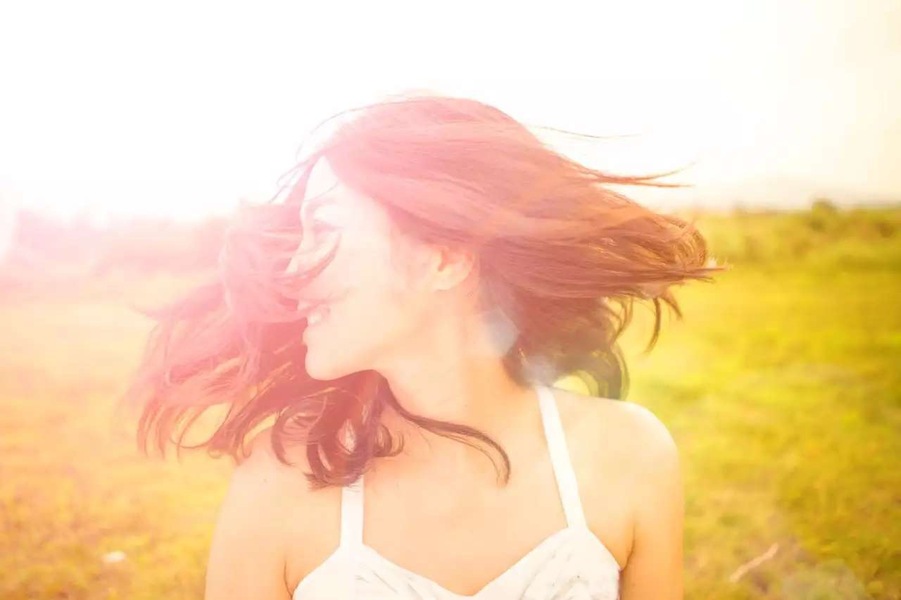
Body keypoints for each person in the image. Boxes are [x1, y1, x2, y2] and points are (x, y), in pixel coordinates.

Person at [121, 93, 722, 599]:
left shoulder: (630, 456)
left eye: (322, 228)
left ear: (445, 257)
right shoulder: (276, 486)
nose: (292, 268)